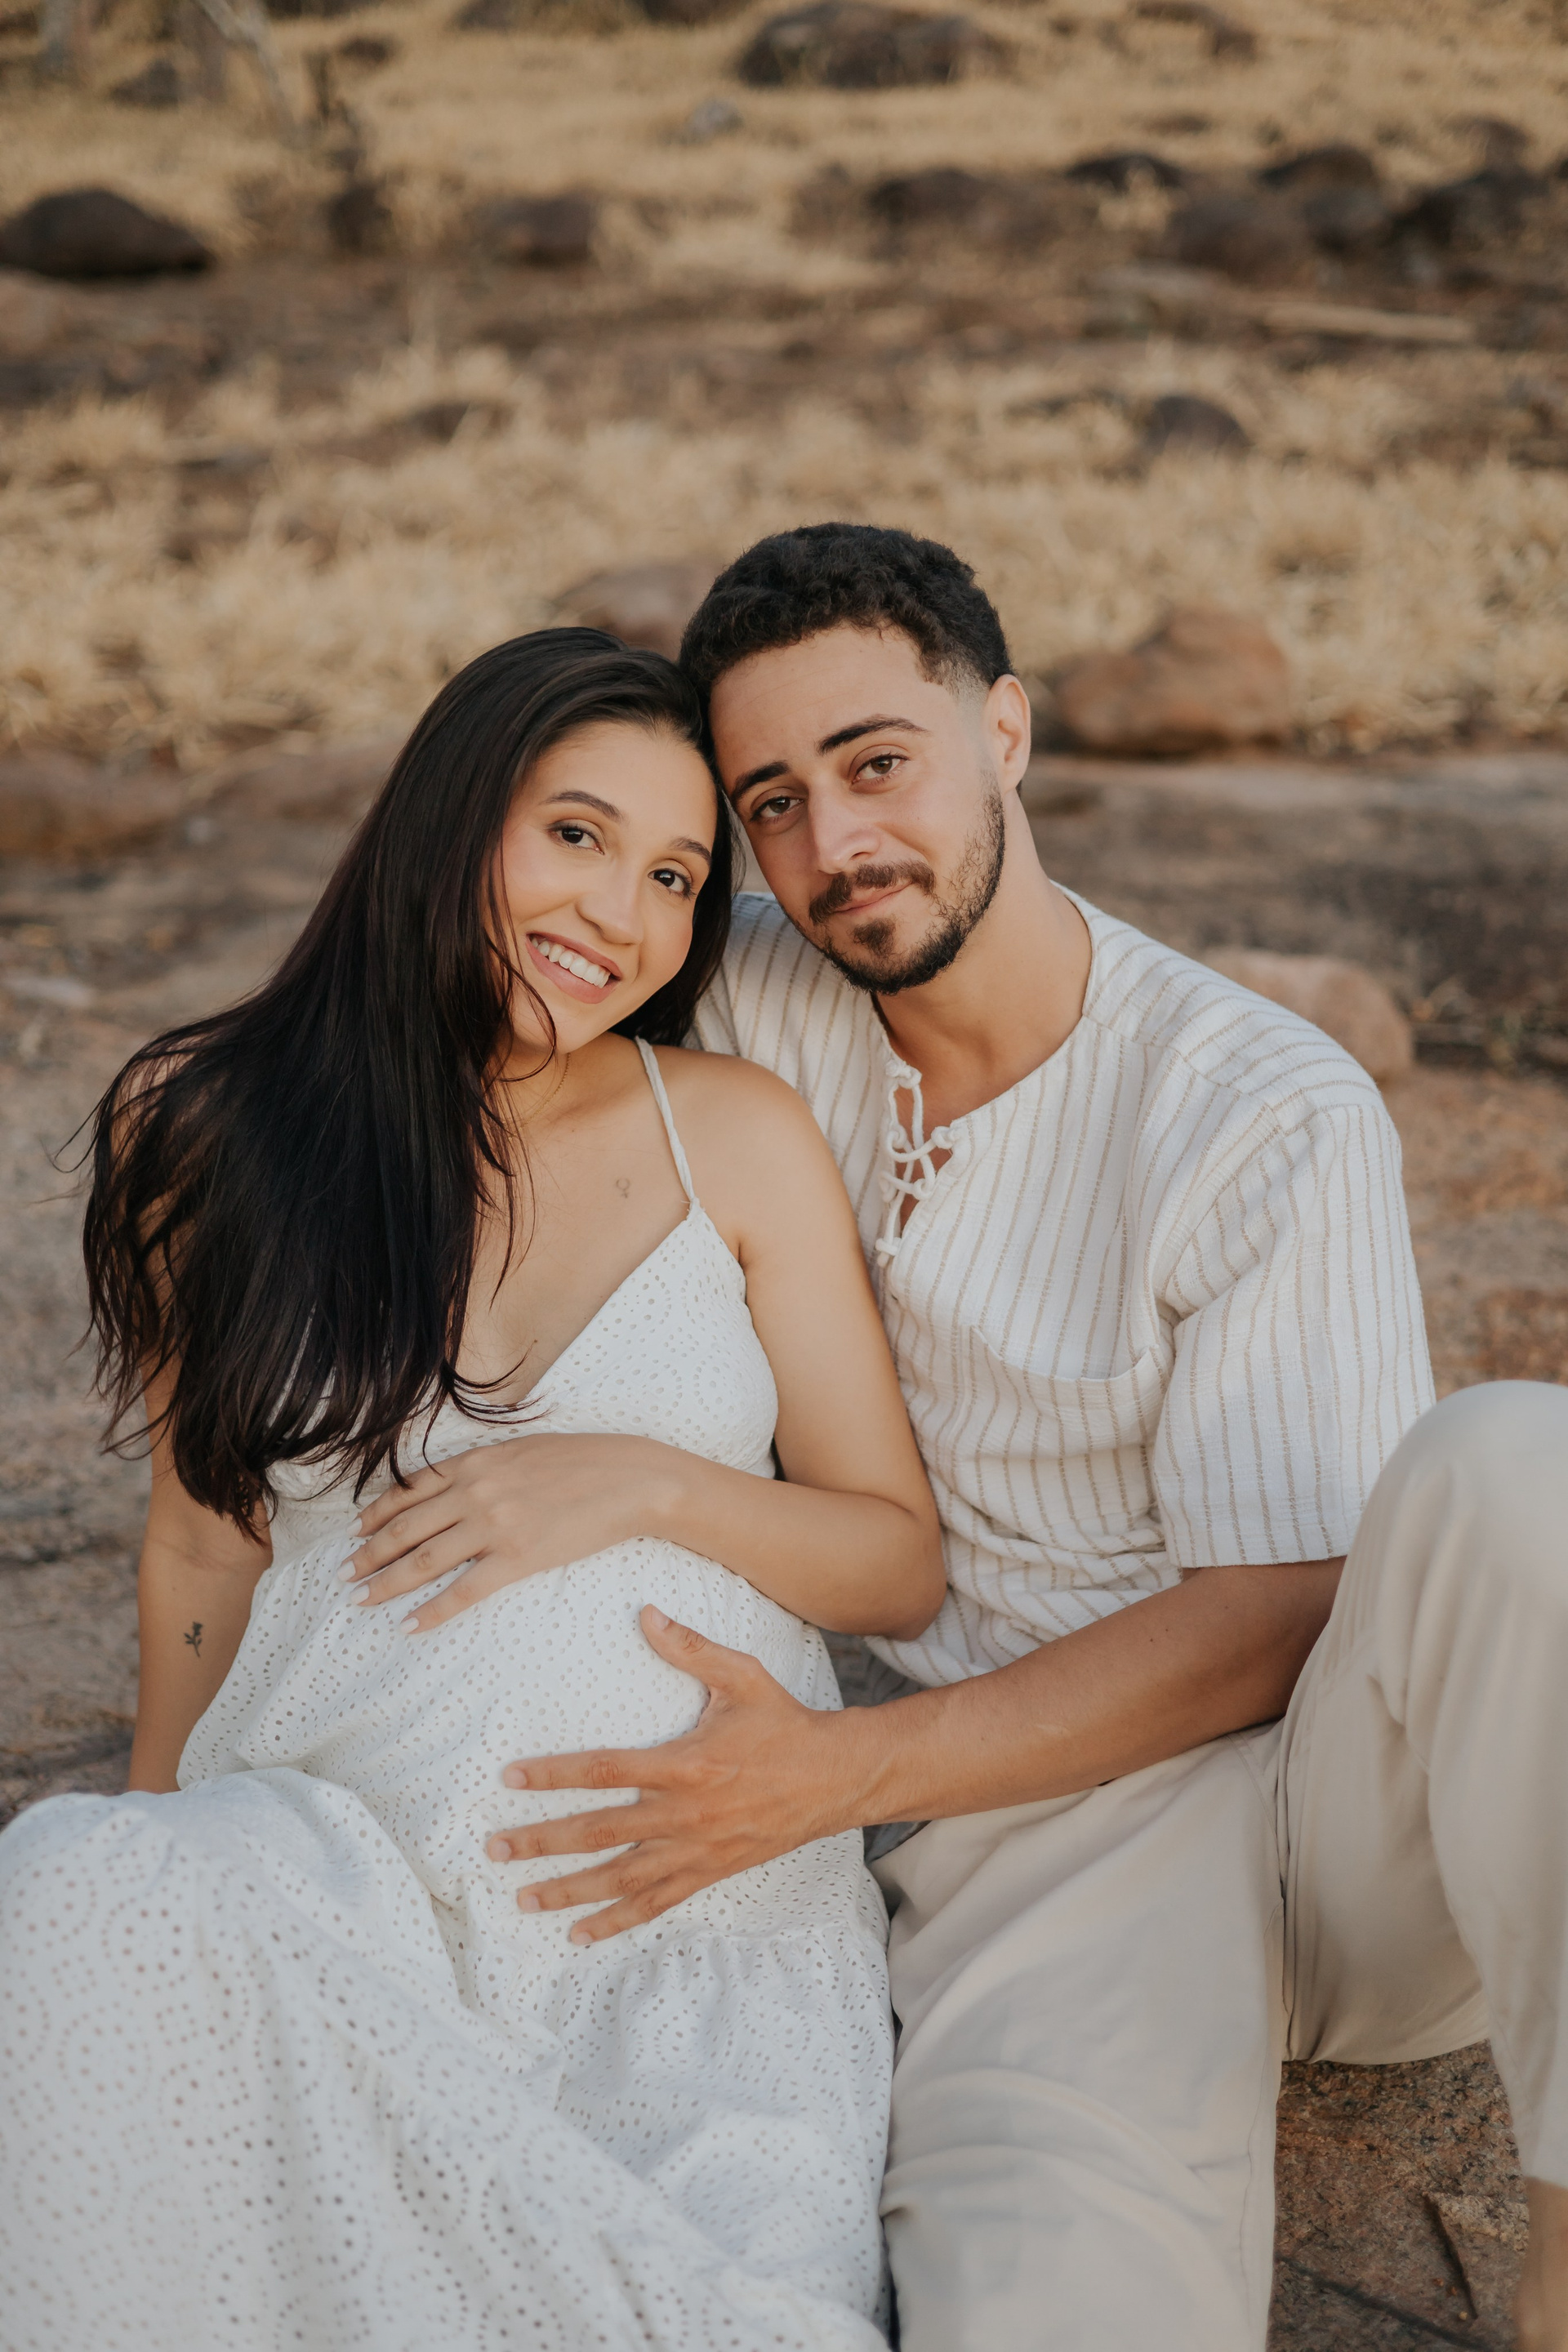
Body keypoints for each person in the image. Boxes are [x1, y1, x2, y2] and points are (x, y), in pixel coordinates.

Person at [351, 528, 1568, 2352]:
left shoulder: (1258, 1106)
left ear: (1004, 732)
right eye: (772, 803)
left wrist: (831, 1776)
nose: (835, 843)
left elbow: (1278, 1612)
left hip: (1351, 1817)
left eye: (878, 763)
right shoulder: (742, 989)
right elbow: (503, 972)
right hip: (1033, 1850)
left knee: (1517, 1471)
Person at [0, 629, 951, 2352]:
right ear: (453, 816)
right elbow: (202, 1542)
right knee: (78, 1894)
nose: (620, 915)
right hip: (338, 1866)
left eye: (674, 877)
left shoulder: (731, 1132)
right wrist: (160, 1843)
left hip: (682, 1927)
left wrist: (641, 1482)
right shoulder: (205, 1129)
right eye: (576, 835)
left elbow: (892, 1561)